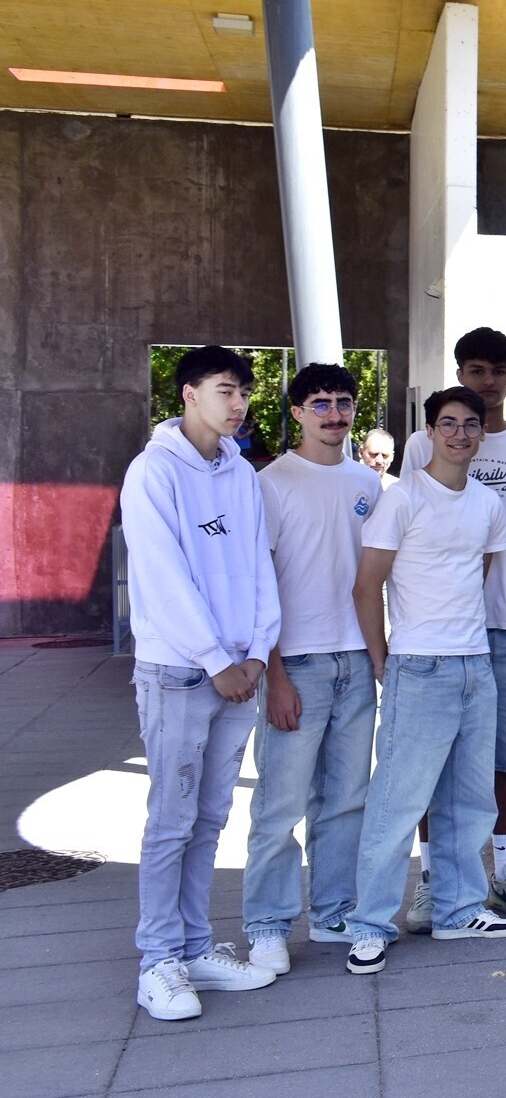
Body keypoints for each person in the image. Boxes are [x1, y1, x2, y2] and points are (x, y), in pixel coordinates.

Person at [122, 345, 281, 1020]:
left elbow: (259, 566)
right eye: (225, 389)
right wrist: (216, 659)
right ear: (188, 393)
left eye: (244, 391)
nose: (238, 402)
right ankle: (157, 960)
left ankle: (193, 948)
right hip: (182, 671)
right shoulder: (153, 471)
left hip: (240, 670)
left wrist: (258, 652)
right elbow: (161, 576)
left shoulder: (241, 471)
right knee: (172, 820)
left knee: (212, 815)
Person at [346, 387, 506, 976]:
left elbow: (475, 576)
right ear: (428, 432)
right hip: (419, 667)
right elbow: (366, 587)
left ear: (482, 433)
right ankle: (369, 925)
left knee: (469, 801)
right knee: (397, 803)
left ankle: (458, 909)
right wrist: (382, 660)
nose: (459, 434)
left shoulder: (488, 503)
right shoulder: (402, 498)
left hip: (475, 665)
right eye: (448, 424)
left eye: (470, 424)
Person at [403, 327, 506, 922]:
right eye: (475, 370)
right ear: (460, 373)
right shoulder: (422, 445)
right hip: (442, 630)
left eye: (497, 371)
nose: (486, 382)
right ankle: (433, 876)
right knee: (433, 758)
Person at [243, 364, 383, 976]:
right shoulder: (271, 483)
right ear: (297, 412)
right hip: (296, 663)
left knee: (347, 799)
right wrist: (273, 674)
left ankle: (333, 912)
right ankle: (268, 925)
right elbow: (259, 585)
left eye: (343, 402)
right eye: (320, 403)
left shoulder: (370, 483)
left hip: (356, 659)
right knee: (281, 805)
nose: (334, 413)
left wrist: (379, 657)